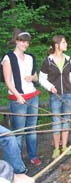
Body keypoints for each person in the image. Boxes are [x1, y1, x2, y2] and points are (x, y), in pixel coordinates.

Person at [2, 30, 41, 166]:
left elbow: (36, 77)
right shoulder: (8, 58)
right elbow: (8, 80)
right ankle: (16, 161)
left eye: (27, 41)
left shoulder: (30, 58)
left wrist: (32, 78)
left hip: (33, 97)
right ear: (16, 41)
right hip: (18, 100)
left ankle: (33, 155)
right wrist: (18, 96)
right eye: (22, 41)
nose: (25, 44)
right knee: (19, 132)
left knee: (32, 129)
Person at [39, 35, 71, 159]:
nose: (66, 44)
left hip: (68, 94)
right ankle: (56, 148)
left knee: (67, 120)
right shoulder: (48, 61)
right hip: (55, 96)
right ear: (57, 45)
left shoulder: (69, 59)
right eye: (64, 42)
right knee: (56, 122)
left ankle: (65, 147)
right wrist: (50, 87)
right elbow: (41, 79)